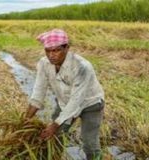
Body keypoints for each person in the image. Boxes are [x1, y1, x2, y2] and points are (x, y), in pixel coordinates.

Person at [24, 29, 105, 160]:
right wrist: (25, 120)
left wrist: (54, 125)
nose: (51, 55)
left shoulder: (82, 67)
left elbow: (76, 101)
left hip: (90, 104)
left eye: (56, 50)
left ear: (67, 48)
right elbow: (38, 92)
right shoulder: (44, 64)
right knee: (56, 138)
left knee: (89, 143)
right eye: (48, 51)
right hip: (65, 103)